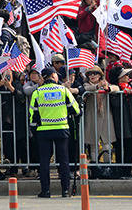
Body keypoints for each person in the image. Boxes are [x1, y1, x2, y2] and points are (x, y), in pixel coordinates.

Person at [29, 67, 80, 198]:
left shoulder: (38, 92)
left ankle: (45, 191)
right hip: (61, 129)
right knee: (64, 161)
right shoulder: (63, 90)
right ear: (53, 76)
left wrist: (34, 131)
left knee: (44, 162)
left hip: (43, 131)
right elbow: (76, 109)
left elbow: (32, 115)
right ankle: (65, 190)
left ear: (43, 77)